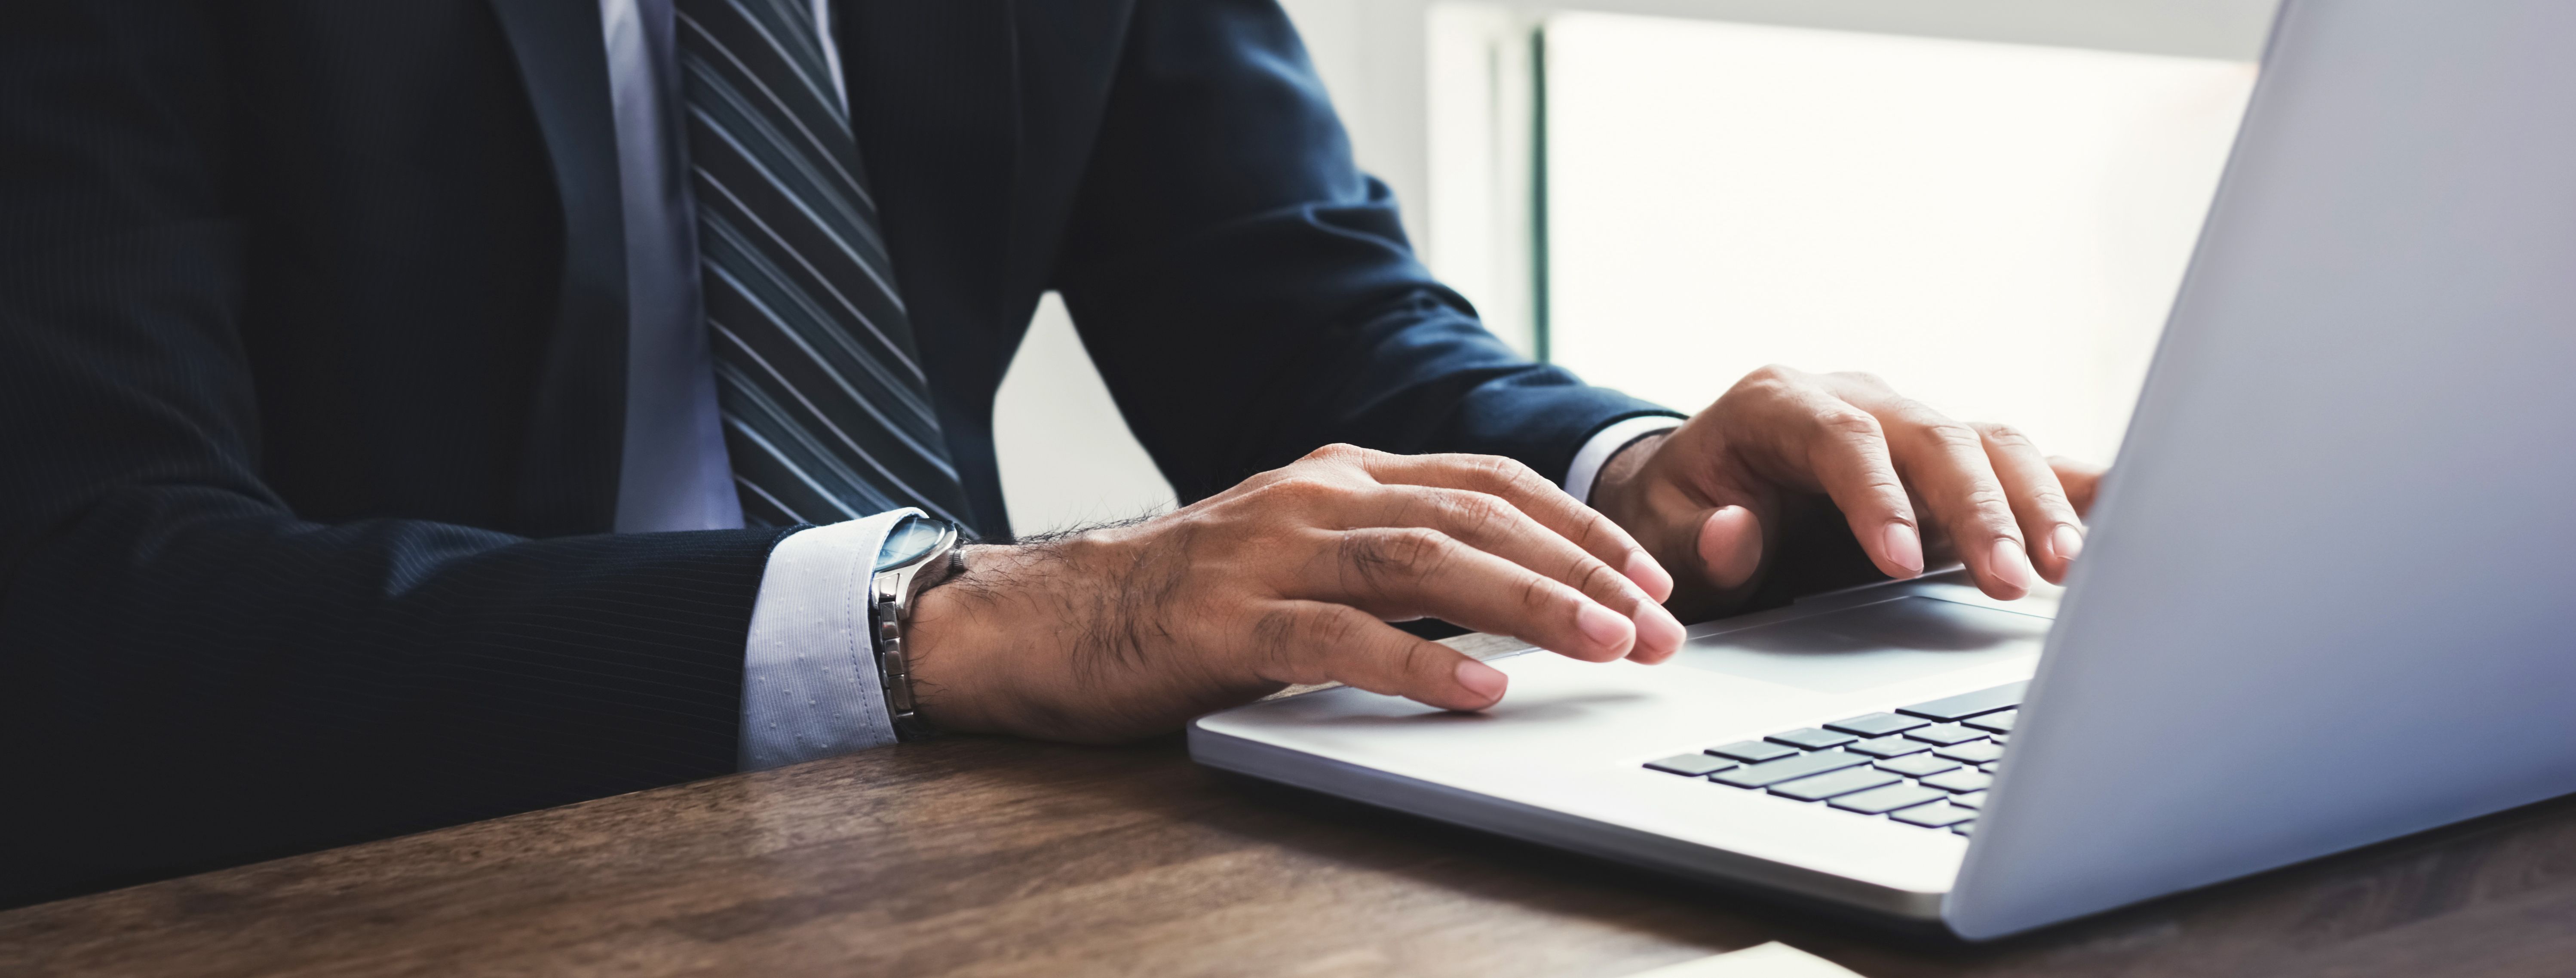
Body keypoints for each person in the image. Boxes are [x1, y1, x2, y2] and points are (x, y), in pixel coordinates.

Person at [0, 0, 2099, 906]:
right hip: (338, 868)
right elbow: (90, 604)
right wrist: (953, 610)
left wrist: (1652, 482)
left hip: (932, 868)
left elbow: (1300, 317)